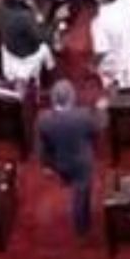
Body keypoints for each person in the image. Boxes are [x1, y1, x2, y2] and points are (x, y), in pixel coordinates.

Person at [35, 80, 101, 237]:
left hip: (61, 163)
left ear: (53, 98)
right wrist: (100, 110)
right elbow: (96, 131)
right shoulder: (84, 115)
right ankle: (81, 228)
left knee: (71, 182)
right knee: (81, 195)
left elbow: (43, 147)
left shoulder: (43, 119)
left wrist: (46, 165)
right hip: (81, 164)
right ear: (72, 97)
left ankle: (67, 182)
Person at [0, 0, 56, 90]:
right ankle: (50, 78)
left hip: (8, 48)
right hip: (26, 55)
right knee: (45, 46)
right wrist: (55, 20)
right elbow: (43, 37)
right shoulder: (24, 17)